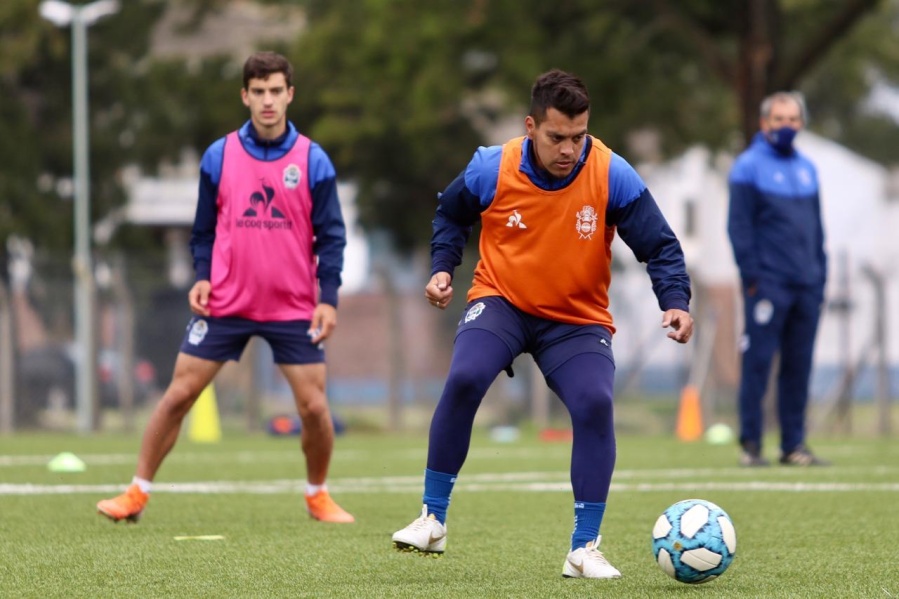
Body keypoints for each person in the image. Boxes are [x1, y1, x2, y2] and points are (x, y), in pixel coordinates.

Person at [390, 69, 693, 579]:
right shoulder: (492, 167)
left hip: (575, 319)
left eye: (579, 137)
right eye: (557, 137)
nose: (570, 149)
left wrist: (676, 300)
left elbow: (659, 245)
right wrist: (443, 267)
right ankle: (432, 519)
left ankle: (584, 549)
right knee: (464, 378)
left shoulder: (611, 172)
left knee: (596, 403)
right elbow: (450, 214)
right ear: (531, 126)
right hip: (502, 302)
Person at [97, 51, 354, 524]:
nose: (268, 100)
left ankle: (317, 494)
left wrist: (328, 299)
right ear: (245, 96)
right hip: (226, 303)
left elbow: (332, 237)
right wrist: (201, 274)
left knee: (315, 408)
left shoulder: (313, 160)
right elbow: (203, 230)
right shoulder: (219, 155)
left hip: (292, 307)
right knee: (177, 396)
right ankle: (136, 492)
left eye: (276, 90)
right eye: (258, 92)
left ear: (289, 94)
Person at [727, 91, 829, 468]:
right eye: (778, 119)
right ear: (764, 123)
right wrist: (752, 277)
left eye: (792, 119)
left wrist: (820, 276)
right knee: (758, 362)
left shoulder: (808, 169)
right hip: (768, 284)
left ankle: (793, 445)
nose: (786, 126)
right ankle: (751, 445)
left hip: (807, 284)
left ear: (800, 124)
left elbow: (817, 231)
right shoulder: (748, 167)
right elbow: (739, 228)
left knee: (799, 366)